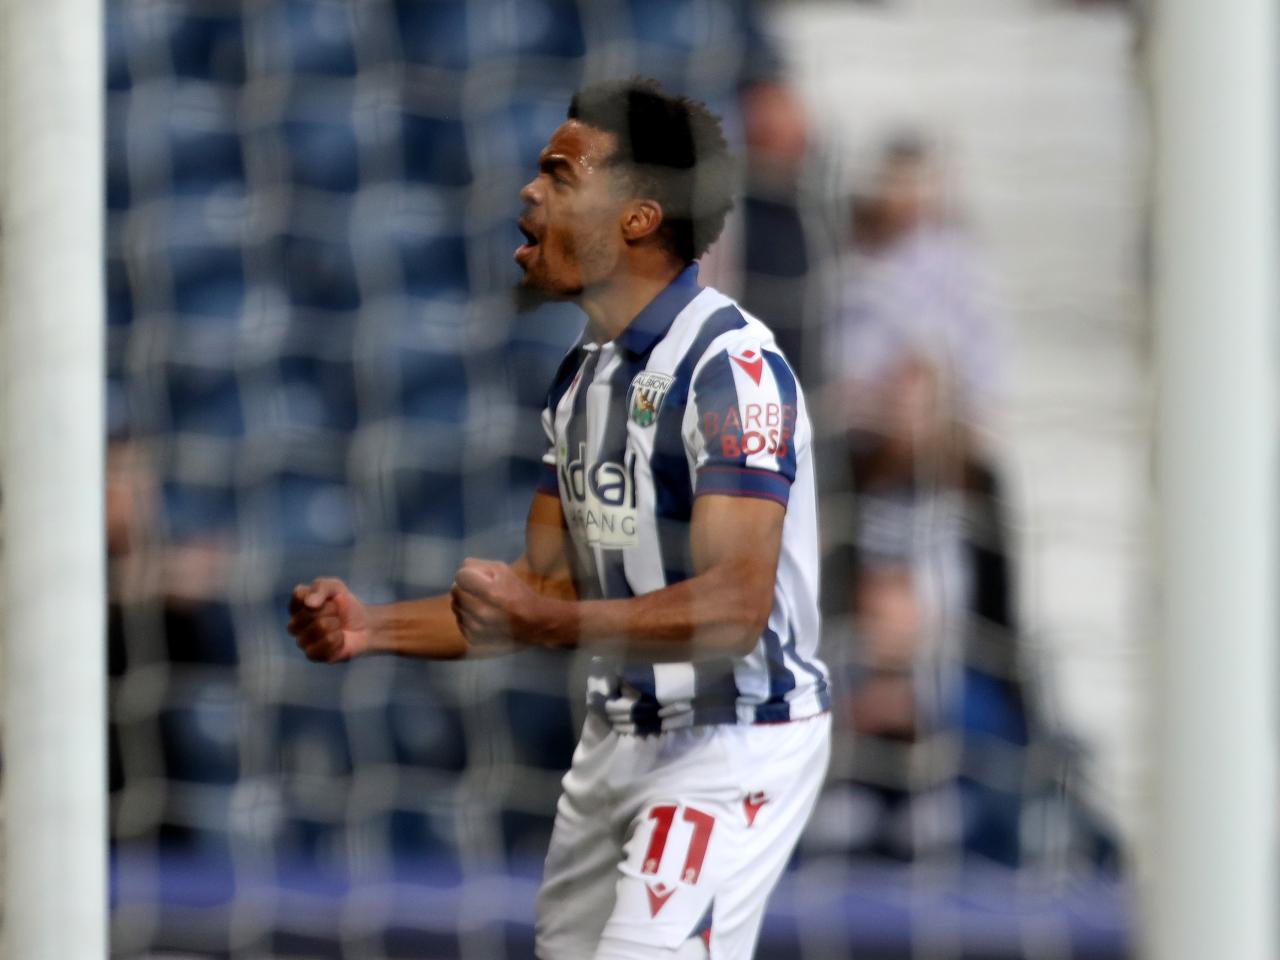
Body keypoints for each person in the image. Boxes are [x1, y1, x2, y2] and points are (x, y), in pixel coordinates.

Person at [287, 79, 831, 960]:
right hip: (616, 739)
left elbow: (734, 610)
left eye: (559, 175)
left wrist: (551, 619)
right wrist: (369, 629)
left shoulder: (734, 371)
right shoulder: (583, 378)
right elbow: (541, 588)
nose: (528, 195)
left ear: (639, 218)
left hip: (733, 744)